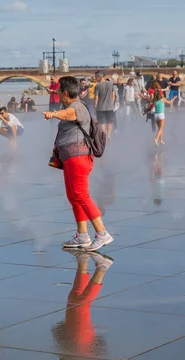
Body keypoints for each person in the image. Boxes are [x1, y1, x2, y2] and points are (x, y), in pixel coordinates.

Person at [43, 76, 114, 251]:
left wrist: (53, 114)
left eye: (59, 91)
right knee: (73, 196)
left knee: (81, 195)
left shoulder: (77, 107)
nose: (58, 93)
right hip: (70, 158)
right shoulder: (72, 105)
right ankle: (82, 235)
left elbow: (67, 114)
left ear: (65, 93)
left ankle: (102, 233)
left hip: (79, 158)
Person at [93, 71, 115, 136]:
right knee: (109, 122)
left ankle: (104, 136)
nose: (95, 78)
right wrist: (112, 104)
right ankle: (109, 135)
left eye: (96, 77)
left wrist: (95, 109)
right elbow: (113, 96)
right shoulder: (110, 84)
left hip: (100, 108)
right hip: (110, 107)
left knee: (102, 123)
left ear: (99, 76)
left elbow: (96, 98)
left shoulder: (97, 85)